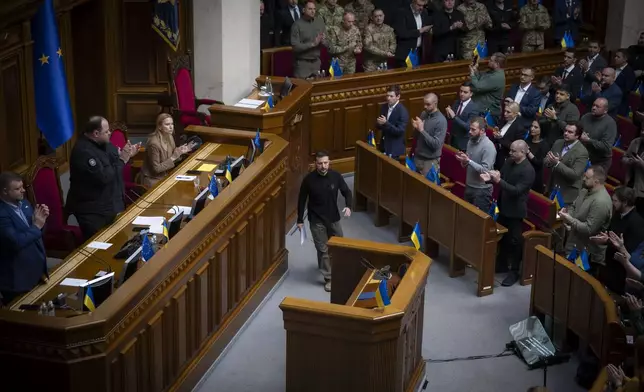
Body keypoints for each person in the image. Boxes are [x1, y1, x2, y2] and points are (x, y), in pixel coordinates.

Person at [66, 116, 140, 241]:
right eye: (106, 132)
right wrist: (122, 159)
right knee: (100, 249)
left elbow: (115, 158)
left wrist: (127, 154)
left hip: (111, 205)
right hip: (94, 212)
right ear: (95, 133)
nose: (110, 133)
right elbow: (104, 177)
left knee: (118, 243)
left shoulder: (103, 143)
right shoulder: (84, 152)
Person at [297, 151, 352, 292]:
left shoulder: (336, 176)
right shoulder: (309, 180)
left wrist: (348, 206)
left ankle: (340, 271)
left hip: (333, 218)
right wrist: (299, 220)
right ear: (315, 163)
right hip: (316, 220)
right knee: (322, 249)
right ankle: (329, 278)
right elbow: (302, 199)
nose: (323, 166)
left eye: (326, 163)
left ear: (329, 162)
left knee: (340, 245)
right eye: (320, 163)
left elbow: (347, 192)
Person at [481, 140, 535, 286]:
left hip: (516, 210)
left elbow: (517, 191)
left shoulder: (528, 170)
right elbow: (502, 179)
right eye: (510, 150)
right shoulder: (509, 162)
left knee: (514, 241)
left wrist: (498, 181)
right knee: (502, 237)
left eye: (513, 151)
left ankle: (514, 271)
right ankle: (501, 264)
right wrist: (490, 180)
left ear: (523, 152)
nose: (510, 153)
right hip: (503, 206)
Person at [0, 172, 49, 305]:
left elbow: (36, 231)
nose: (23, 190)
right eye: (17, 188)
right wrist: (37, 226)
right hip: (17, 278)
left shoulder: (25, 203)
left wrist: (42, 220)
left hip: (36, 271)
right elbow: (15, 242)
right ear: (4, 191)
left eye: (22, 186)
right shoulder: (2, 214)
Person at [560, 165, 613, 273]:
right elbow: (574, 206)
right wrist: (568, 216)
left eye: (587, 177)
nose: (583, 179)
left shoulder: (601, 202)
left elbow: (589, 229)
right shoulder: (585, 190)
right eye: (584, 176)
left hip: (587, 255)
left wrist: (570, 220)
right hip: (574, 242)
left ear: (596, 181)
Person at [592, 186, 644, 294]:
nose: (612, 203)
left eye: (615, 201)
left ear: (624, 202)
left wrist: (608, 241)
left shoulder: (637, 223)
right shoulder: (618, 213)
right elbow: (610, 231)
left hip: (620, 274)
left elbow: (630, 252)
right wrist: (605, 238)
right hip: (608, 264)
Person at [455, 117, 497, 211]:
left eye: (473, 129)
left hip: (481, 190)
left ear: (482, 131)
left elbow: (485, 170)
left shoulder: (488, 146)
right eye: (470, 128)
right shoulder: (470, 141)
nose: (470, 131)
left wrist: (469, 161)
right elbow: (467, 164)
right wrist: (463, 160)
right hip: (469, 185)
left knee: (477, 221)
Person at [141, 114, 194, 187]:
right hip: (153, 179)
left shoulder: (170, 137)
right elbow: (156, 169)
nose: (171, 127)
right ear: (159, 127)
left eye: (172, 124)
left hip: (166, 175)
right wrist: (174, 157)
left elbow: (173, 158)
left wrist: (180, 152)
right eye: (167, 124)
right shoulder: (153, 144)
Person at [544, 123, 589, 206]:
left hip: (567, 193)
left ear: (577, 136)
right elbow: (546, 160)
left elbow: (575, 174)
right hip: (552, 186)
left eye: (570, 132)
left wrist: (557, 163)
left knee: (557, 218)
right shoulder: (558, 142)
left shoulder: (582, 152)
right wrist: (549, 161)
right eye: (565, 130)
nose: (566, 133)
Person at [412, 93, 448, 175]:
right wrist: (416, 129)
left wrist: (421, 130)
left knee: (427, 187)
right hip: (418, 157)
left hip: (430, 161)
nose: (425, 106)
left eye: (428, 104)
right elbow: (416, 137)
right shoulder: (423, 114)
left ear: (435, 104)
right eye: (424, 104)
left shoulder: (441, 121)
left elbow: (436, 144)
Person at [578, 97, 617, 171]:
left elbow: (606, 146)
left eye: (598, 106)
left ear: (605, 110)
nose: (594, 108)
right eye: (593, 105)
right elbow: (577, 133)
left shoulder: (610, 123)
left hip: (600, 162)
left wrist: (588, 140)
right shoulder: (586, 117)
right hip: (583, 156)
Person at [291, 0, 327, 79]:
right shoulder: (297, 25)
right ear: (303, 10)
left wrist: (324, 41)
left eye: (314, 9)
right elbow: (295, 47)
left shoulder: (320, 22)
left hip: (316, 63)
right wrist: (312, 44)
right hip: (302, 64)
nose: (313, 11)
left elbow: (328, 43)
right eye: (310, 9)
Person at [469, 52, 506, 125]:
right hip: (481, 110)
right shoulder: (492, 72)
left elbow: (478, 87)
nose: (488, 61)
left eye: (491, 60)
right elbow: (481, 80)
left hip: (488, 114)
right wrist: (475, 70)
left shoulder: (496, 77)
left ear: (497, 64)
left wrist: (472, 74)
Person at [394, 0, 432, 68]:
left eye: (423, 5)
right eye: (419, 5)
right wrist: (420, 31)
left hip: (419, 53)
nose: (421, 8)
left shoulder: (424, 12)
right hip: (406, 54)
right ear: (413, 2)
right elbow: (401, 33)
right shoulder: (402, 12)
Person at [375, 85, 409, 157]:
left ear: (398, 97)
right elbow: (379, 126)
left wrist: (386, 123)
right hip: (383, 146)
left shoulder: (402, 111)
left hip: (395, 150)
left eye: (391, 96)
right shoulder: (384, 107)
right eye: (387, 96)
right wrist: (379, 124)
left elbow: (399, 131)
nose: (388, 98)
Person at [445, 81, 480, 150]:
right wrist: (448, 115)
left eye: (465, 92)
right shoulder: (456, 102)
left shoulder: (474, 108)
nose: (461, 94)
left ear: (471, 94)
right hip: (452, 139)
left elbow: (468, 127)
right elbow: (452, 120)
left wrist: (454, 117)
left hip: (463, 143)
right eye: (461, 91)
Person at [491, 101, 525, 170]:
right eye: (505, 111)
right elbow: (497, 135)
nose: (505, 114)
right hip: (494, 150)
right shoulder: (503, 120)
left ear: (515, 114)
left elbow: (515, 147)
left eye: (508, 112)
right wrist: (495, 132)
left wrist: (500, 138)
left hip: (506, 156)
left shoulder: (520, 128)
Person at [623, 122, 644, 216]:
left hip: (642, 191)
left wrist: (641, 164)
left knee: (636, 216)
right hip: (629, 183)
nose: (643, 132)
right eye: (642, 130)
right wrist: (629, 161)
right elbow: (624, 158)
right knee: (623, 212)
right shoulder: (636, 142)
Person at [526, 120, 550, 193]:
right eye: (532, 126)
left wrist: (528, 152)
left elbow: (539, 163)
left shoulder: (544, 145)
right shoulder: (529, 138)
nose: (532, 129)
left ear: (542, 129)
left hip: (534, 176)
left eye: (536, 127)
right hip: (524, 171)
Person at [613, 48, 638, 117]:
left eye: (618, 57)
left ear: (625, 59)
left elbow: (627, 90)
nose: (615, 58)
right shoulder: (612, 68)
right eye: (615, 56)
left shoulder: (629, 72)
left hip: (620, 104)